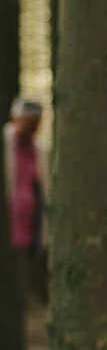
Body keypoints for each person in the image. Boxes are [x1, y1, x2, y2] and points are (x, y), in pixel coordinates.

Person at [4, 97, 48, 306]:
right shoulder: (6, 143)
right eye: (27, 121)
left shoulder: (39, 149)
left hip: (31, 225)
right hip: (9, 222)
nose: (32, 127)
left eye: (35, 122)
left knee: (29, 269)